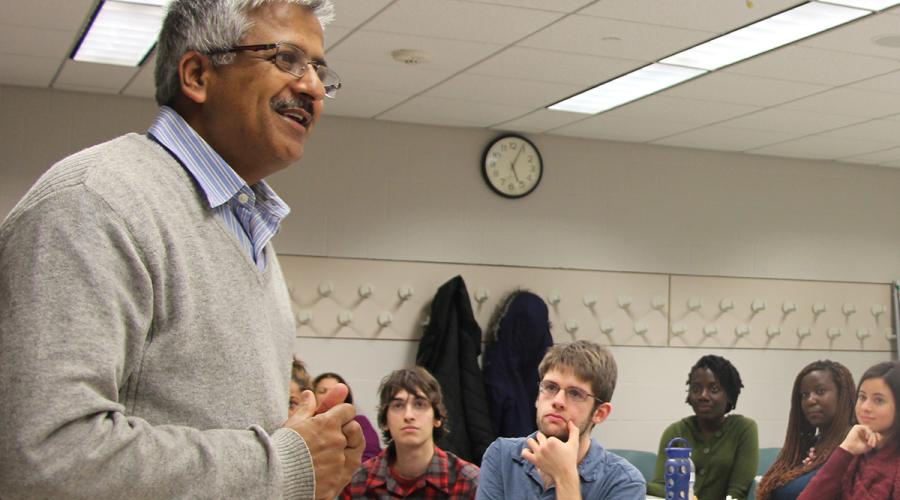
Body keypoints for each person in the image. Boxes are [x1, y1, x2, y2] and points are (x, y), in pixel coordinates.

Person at [0, 1, 363, 498]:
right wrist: (283, 463)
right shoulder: (97, 202)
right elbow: (43, 458)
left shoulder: (249, 226)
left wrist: (297, 443)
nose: (313, 88)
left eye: (319, 70)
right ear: (196, 74)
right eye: (286, 60)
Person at [476, 340, 645, 500]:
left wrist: (565, 477)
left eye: (575, 393)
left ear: (600, 413)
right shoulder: (502, 456)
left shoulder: (624, 482)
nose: (558, 401)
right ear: (537, 397)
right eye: (550, 387)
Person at [340, 367, 480, 499]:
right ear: (385, 421)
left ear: (437, 418)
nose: (408, 415)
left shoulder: (470, 482)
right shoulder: (358, 482)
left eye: (419, 404)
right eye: (398, 406)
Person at [647, 354, 758, 500]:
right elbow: (664, 487)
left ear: (730, 395)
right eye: (696, 389)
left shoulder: (744, 429)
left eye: (714, 389)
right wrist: (636, 482)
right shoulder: (675, 432)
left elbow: (738, 493)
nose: (703, 396)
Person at [798, 360, 900, 499]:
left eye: (878, 400)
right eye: (862, 397)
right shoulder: (855, 453)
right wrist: (846, 449)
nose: (865, 407)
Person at [756, 360, 856, 500]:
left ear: (842, 396)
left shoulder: (854, 447)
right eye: (804, 395)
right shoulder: (807, 447)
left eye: (820, 391)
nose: (810, 400)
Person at [314, 372, 383, 461]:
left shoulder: (360, 423)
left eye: (336, 392)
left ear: (345, 399)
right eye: (322, 391)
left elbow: (371, 456)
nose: (329, 395)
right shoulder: (306, 424)